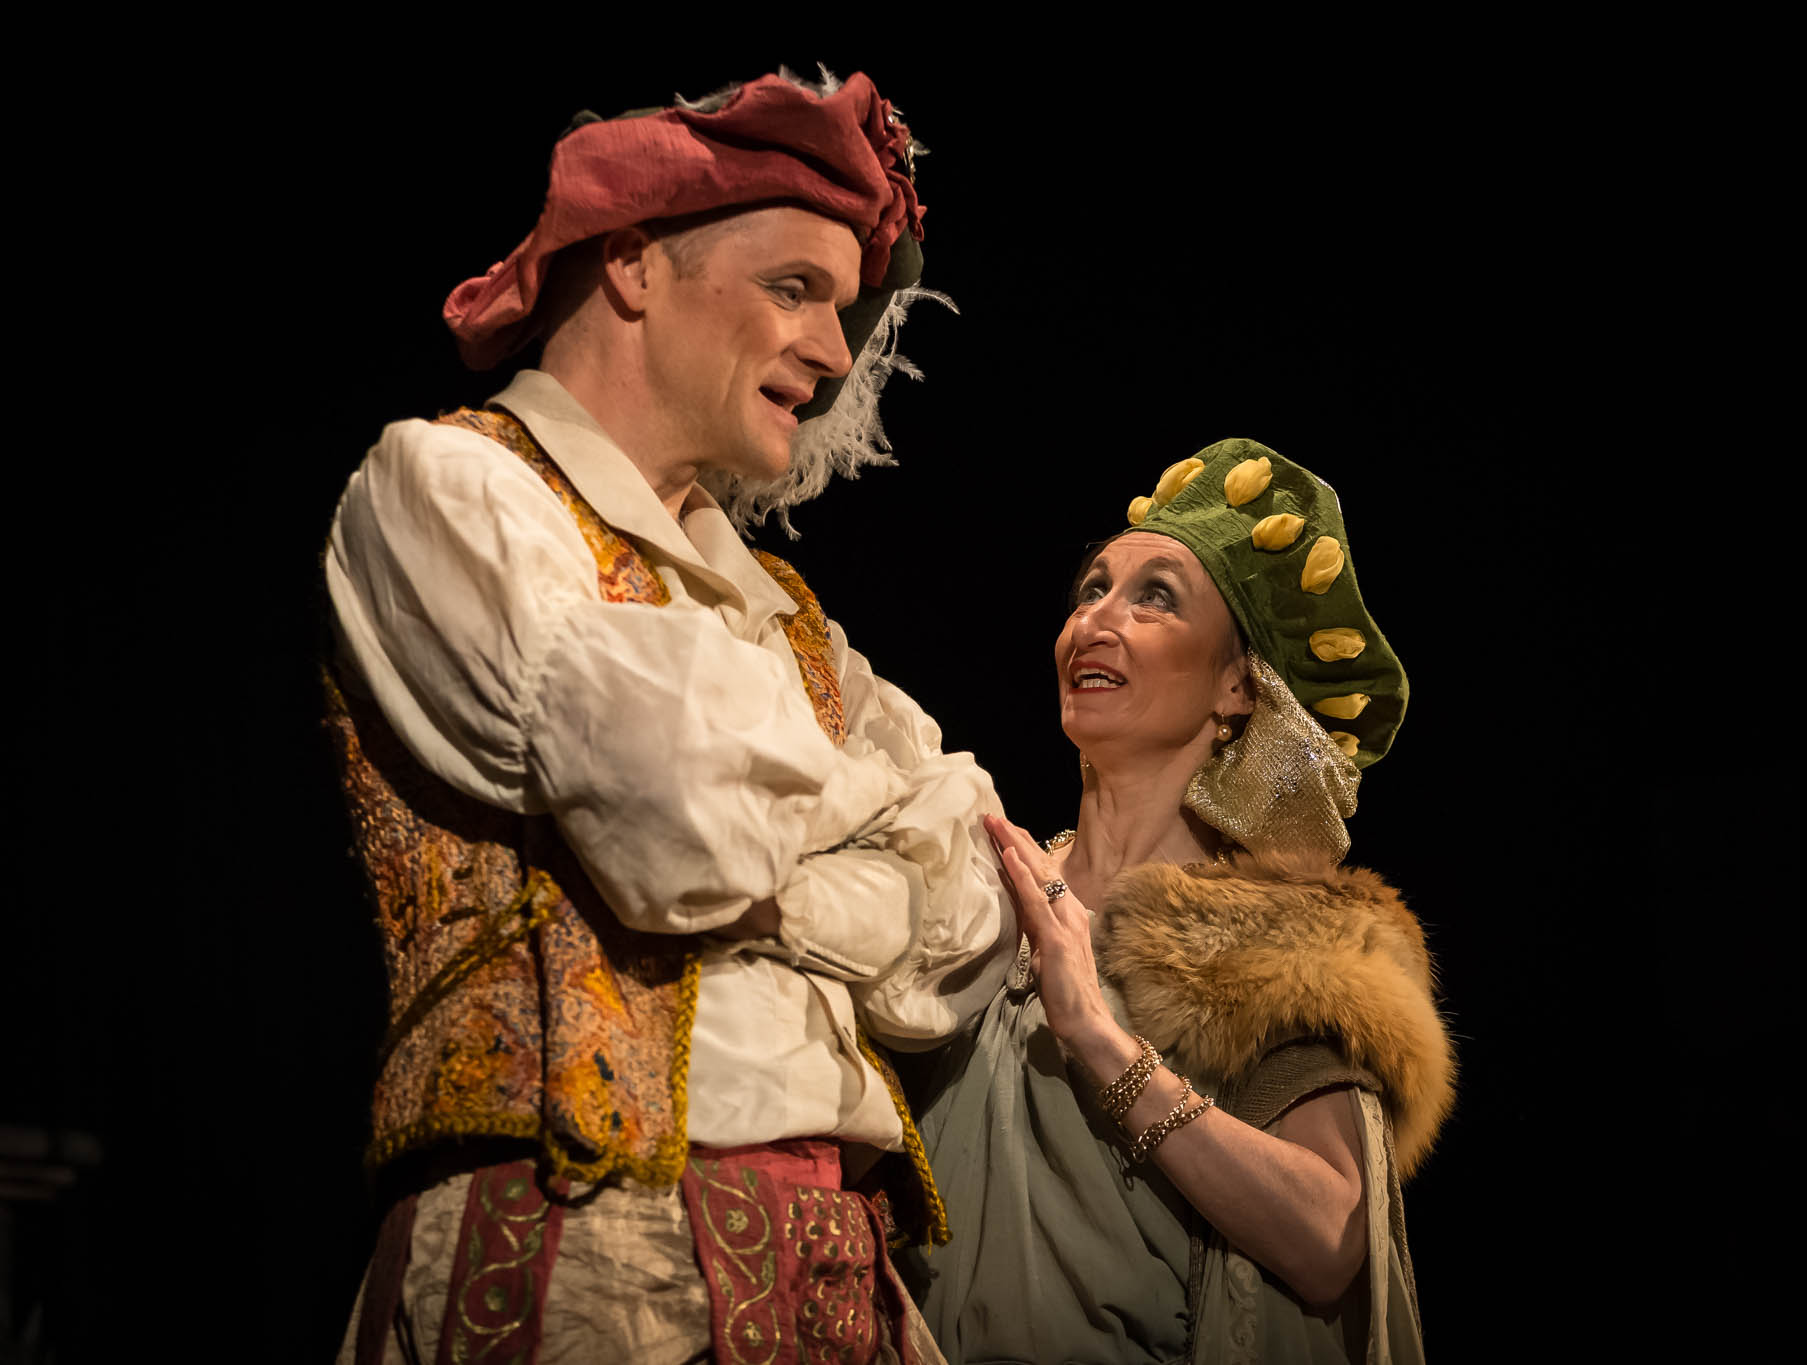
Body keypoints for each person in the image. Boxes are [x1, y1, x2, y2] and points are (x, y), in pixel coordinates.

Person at [324, 69, 1012, 1364]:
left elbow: (972, 896)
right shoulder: (450, 484)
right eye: (793, 288)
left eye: (841, 309)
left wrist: (782, 856)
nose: (834, 351)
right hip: (584, 1234)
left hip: (846, 1262)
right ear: (634, 262)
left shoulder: (787, 618)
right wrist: (858, 829)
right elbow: (683, 816)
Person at [904, 440, 1456, 1364]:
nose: (1096, 620)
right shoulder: (981, 885)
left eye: (1154, 597)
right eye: (1091, 590)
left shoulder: (1285, 938)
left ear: (1238, 685)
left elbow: (1330, 1236)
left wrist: (1098, 1037)